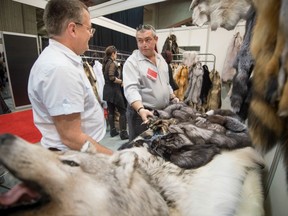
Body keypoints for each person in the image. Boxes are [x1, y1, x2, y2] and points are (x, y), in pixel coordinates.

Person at [28, 0, 112, 154]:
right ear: (73, 29)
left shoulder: (62, 61)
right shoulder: (60, 69)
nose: (90, 35)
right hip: (76, 155)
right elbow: (72, 138)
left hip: (81, 150)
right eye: (89, 29)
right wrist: (114, 157)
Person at [123, 24, 179, 141]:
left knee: (159, 145)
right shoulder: (132, 62)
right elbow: (131, 89)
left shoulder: (161, 59)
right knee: (140, 147)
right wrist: (140, 109)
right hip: (141, 115)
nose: (144, 44)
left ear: (156, 39)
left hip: (162, 113)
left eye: (148, 40)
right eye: (140, 41)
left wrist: (172, 96)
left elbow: (166, 82)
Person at [102, 45, 129, 140]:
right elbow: (112, 77)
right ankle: (123, 133)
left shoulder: (105, 63)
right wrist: (121, 81)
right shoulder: (112, 63)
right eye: (116, 53)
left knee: (111, 111)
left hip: (107, 90)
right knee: (123, 111)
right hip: (114, 91)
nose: (116, 55)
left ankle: (113, 131)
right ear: (113, 53)